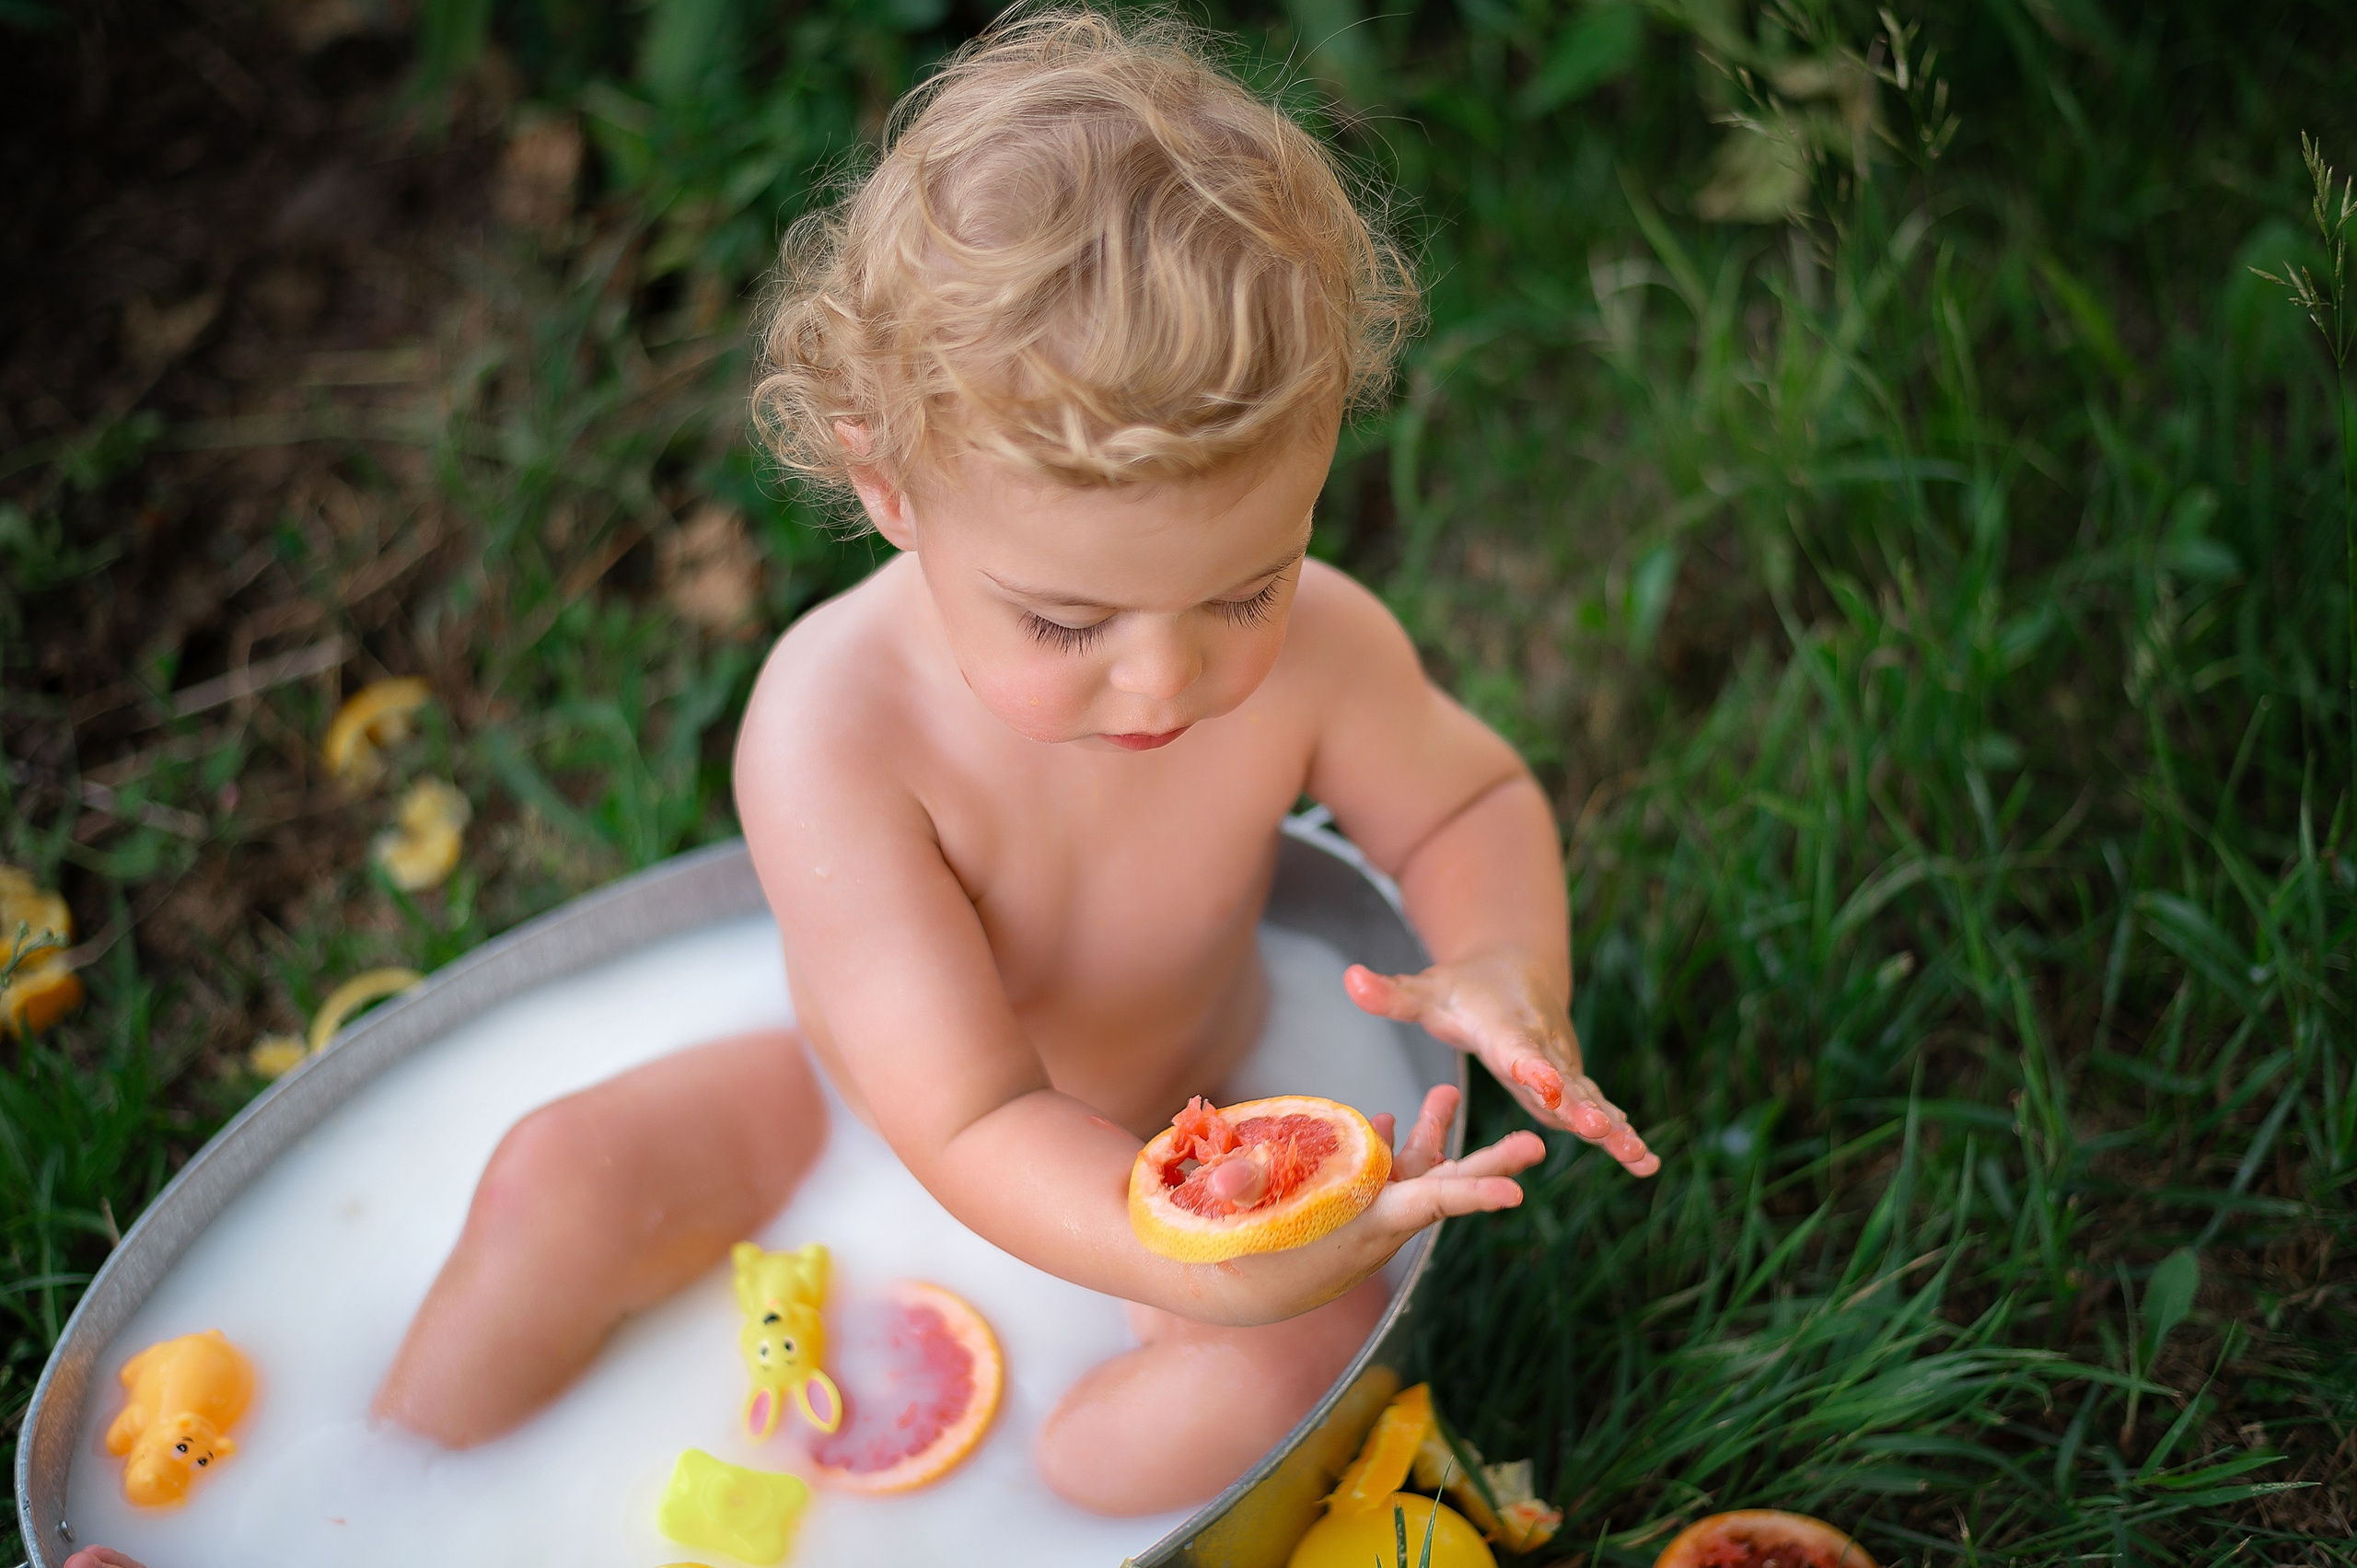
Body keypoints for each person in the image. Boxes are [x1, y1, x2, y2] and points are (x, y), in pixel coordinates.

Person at [368, 6, 1657, 1517]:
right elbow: (967, 1114)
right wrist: (1176, 1256)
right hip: (875, 1128)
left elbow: (1467, 800)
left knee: (1260, 1364)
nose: (1170, 678)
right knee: (555, 1178)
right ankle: (369, 1502)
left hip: (1203, 1106)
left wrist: (1506, 958)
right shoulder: (835, 730)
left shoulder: (1321, 645)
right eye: (1067, 618)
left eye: (1245, 586)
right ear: (887, 483)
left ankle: (1033, 1520)